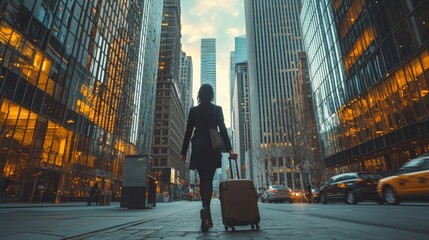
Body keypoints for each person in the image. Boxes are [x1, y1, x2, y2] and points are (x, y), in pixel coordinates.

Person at [181, 84, 237, 232]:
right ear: (211, 95)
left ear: (200, 95)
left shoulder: (193, 110)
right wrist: (230, 149)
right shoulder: (216, 109)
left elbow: (188, 132)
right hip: (212, 147)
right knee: (208, 180)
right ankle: (206, 210)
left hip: (198, 146)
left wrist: (183, 151)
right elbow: (223, 129)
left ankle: (206, 212)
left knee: (202, 180)